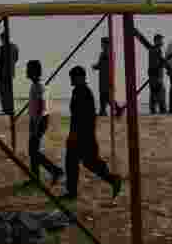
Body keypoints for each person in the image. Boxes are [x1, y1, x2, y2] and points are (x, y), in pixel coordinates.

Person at [61, 66, 122, 202]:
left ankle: (112, 179)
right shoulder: (80, 91)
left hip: (82, 135)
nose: (71, 80)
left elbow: (81, 117)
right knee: (86, 162)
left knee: (80, 162)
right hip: (83, 134)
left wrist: (74, 134)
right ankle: (111, 179)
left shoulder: (82, 92)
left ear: (80, 77)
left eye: (73, 77)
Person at [25, 60, 64, 186]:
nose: (26, 71)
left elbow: (41, 108)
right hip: (35, 120)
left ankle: (55, 171)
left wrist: (36, 125)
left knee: (33, 151)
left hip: (40, 121)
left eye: (28, 69)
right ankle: (35, 178)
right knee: (33, 150)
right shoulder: (34, 85)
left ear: (34, 71)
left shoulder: (39, 86)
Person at [0, 32, 19, 116]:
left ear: (3, 38)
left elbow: (2, 60)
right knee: (9, 92)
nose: (1, 41)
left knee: (3, 92)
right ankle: (10, 109)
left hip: (3, 73)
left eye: (1, 39)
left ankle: (5, 109)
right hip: (11, 72)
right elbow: (16, 59)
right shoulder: (15, 47)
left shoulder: (3, 47)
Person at [90, 37, 113, 117]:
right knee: (103, 95)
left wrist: (96, 66)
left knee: (106, 95)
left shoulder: (106, 54)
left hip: (106, 78)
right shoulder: (105, 53)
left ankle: (112, 109)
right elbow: (101, 65)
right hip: (104, 77)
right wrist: (96, 66)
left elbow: (102, 65)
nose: (102, 45)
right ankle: (102, 111)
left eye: (102, 43)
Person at [147, 34, 166, 115]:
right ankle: (161, 110)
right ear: (157, 40)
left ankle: (154, 110)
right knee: (159, 92)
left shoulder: (153, 49)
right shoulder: (156, 50)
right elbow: (155, 63)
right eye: (161, 40)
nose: (162, 41)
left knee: (154, 93)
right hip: (156, 74)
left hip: (154, 74)